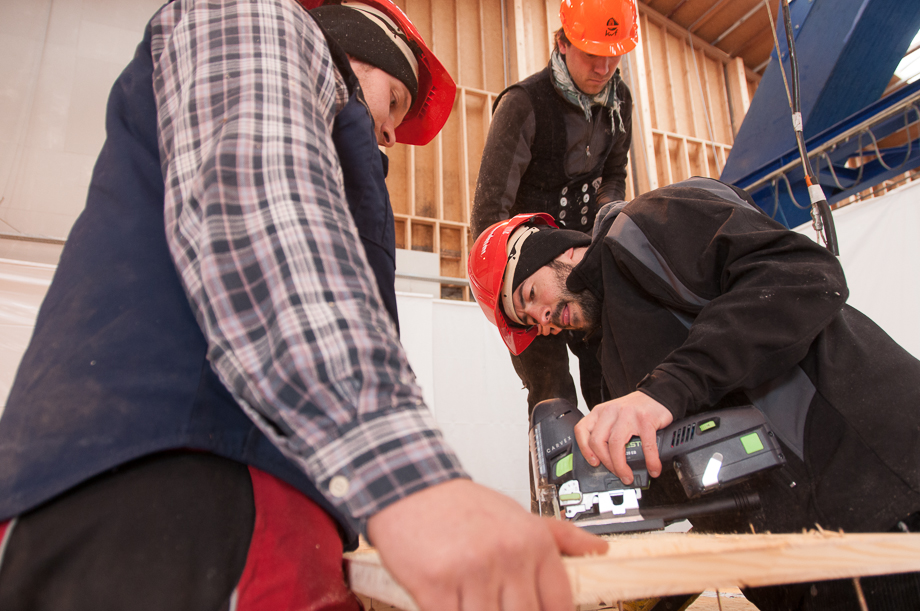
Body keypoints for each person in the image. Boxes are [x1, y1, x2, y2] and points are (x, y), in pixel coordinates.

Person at [0, 1, 605, 609]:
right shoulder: (255, 17)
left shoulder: (336, 151)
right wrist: (412, 487)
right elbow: (262, 218)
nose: (393, 134)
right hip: (166, 488)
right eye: (394, 102)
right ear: (353, 46)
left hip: (270, 507)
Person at [469, 176, 920, 610]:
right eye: (530, 322)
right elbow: (679, 476)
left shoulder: (649, 226)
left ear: (555, 249)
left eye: (530, 295)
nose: (542, 317)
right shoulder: (606, 373)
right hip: (799, 574)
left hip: (883, 496)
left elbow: (802, 276)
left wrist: (666, 389)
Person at [471, 0, 637, 420]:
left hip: (583, 268)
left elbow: (615, 173)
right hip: (528, 278)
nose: (603, 68)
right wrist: (513, 297)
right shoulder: (523, 104)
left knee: (613, 386)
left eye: (612, 55)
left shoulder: (621, 102)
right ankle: (555, 485)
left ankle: (632, 481)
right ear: (562, 43)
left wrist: (608, 216)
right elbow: (490, 209)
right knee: (553, 396)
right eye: (591, 54)